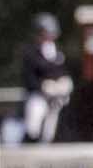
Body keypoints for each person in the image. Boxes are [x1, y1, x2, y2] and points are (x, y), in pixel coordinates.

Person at [20, 14, 72, 144]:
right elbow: (29, 77)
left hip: (56, 96)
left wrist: (63, 83)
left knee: (53, 125)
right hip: (38, 94)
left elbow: (62, 71)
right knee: (34, 122)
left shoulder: (58, 52)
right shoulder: (31, 53)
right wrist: (42, 87)